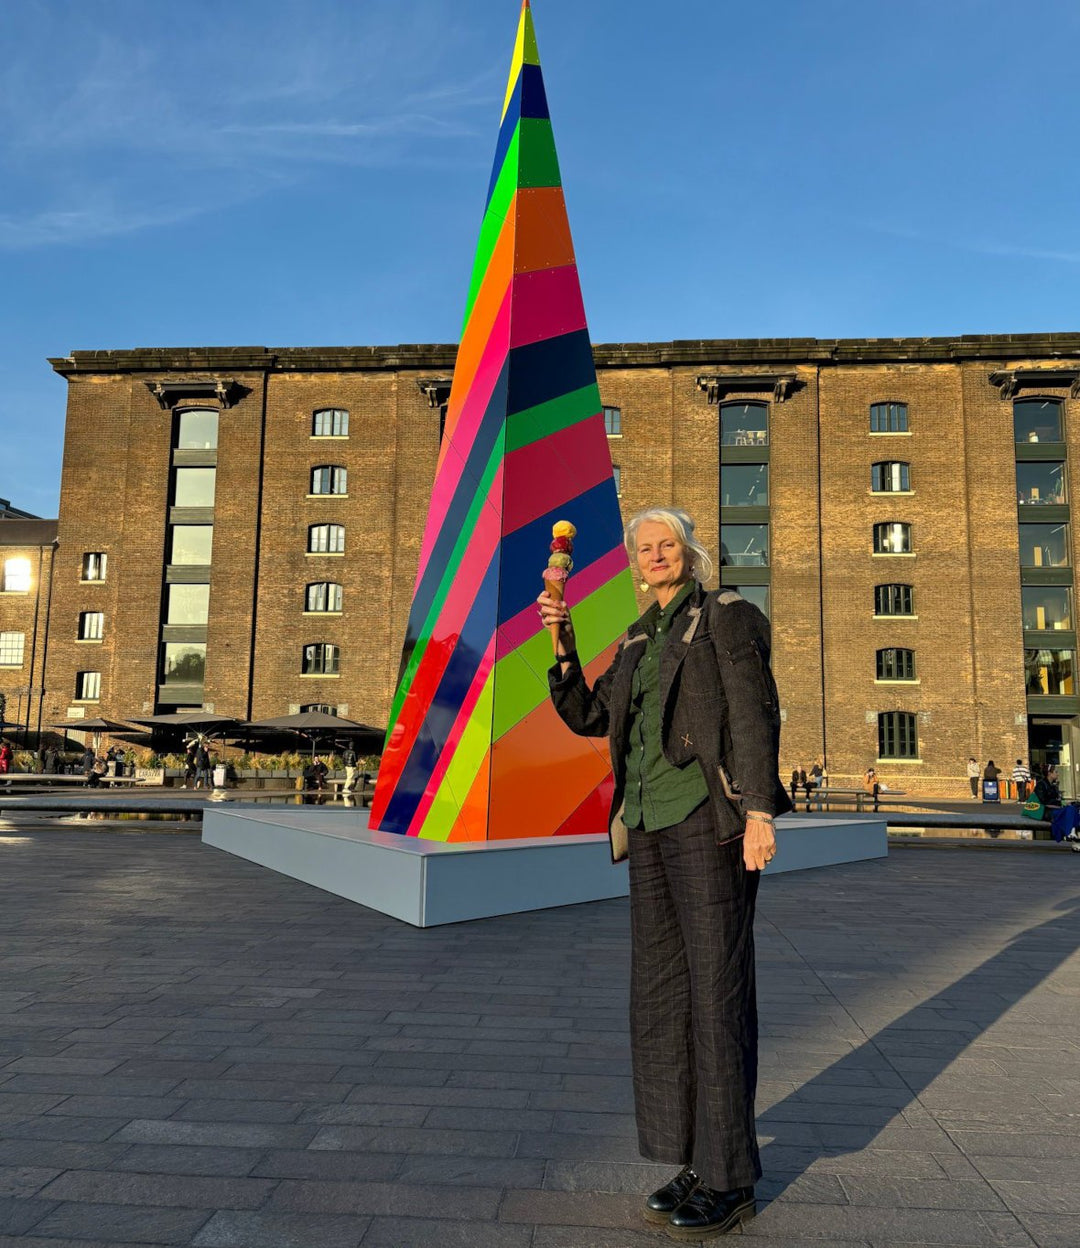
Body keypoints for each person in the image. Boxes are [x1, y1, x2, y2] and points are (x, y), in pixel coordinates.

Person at [539, 506, 790, 1238]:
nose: (656, 555)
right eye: (644, 548)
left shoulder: (726, 617)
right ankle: (692, 1160)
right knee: (661, 1001)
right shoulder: (640, 636)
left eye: (667, 545)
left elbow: (753, 714)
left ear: (691, 553)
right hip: (646, 825)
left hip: (707, 823)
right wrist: (562, 640)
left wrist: (761, 813)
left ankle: (731, 1178)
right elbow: (591, 715)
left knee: (716, 996)